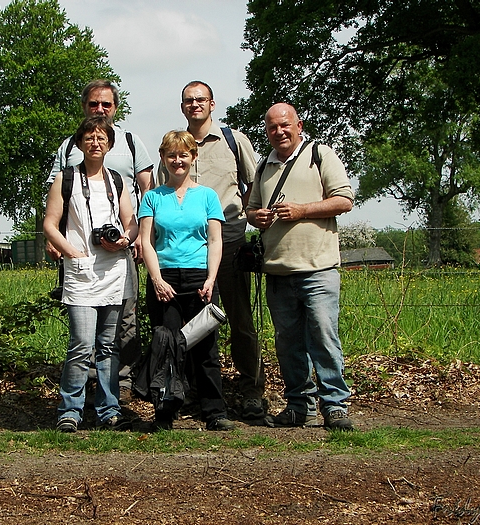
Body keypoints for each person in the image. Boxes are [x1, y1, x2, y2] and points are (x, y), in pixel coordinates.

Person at [158, 81, 265, 420]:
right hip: (183, 253)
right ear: (182, 106)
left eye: (200, 99)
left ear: (212, 104)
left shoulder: (234, 141)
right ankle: (189, 391)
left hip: (228, 244)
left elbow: (256, 183)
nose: (195, 105)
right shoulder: (175, 146)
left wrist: (243, 217)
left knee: (238, 321)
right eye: (189, 100)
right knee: (189, 326)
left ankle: (251, 392)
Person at [246, 102, 355, 430]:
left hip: (318, 268)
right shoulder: (264, 165)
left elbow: (345, 200)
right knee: (288, 342)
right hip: (278, 271)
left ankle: (335, 404)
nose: (279, 131)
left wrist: (302, 210)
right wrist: (258, 217)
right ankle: (298, 405)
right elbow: (251, 209)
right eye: (272, 127)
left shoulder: (321, 155)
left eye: (284, 125)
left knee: (323, 335)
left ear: (299, 125)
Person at [48, 80, 154, 392]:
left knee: (124, 320)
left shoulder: (131, 142)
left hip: (123, 247)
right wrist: (53, 241)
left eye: (106, 104)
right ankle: (88, 387)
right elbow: (53, 200)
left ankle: (119, 385)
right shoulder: (69, 146)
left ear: (116, 108)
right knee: (83, 326)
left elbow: (147, 191)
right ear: (85, 107)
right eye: (94, 104)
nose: (100, 110)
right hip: (77, 247)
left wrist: (138, 238)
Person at [43, 115, 138, 433]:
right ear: (80, 143)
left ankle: (109, 408)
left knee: (109, 346)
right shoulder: (65, 178)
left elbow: (131, 220)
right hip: (81, 273)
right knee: (82, 344)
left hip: (113, 270)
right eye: (89, 137)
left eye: (101, 138)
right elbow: (50, 224)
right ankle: (69, 409)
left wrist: (126, 239)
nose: (95, 142)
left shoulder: (117, 181)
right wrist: (73, 253)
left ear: (109, 144)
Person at [140, 130, 234, 431]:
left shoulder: (207, 196)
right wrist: (156, 279)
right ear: (163, 159)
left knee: (206, 348)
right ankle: (166, 411)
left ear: (193, 157)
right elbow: (146, 241)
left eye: (183, 155)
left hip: (200, 279)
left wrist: (211, 278)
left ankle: (214, 412)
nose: (177, 161)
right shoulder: (152, 197)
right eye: (171, 155)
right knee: (167, 346)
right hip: (165, 280)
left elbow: (215, 241)